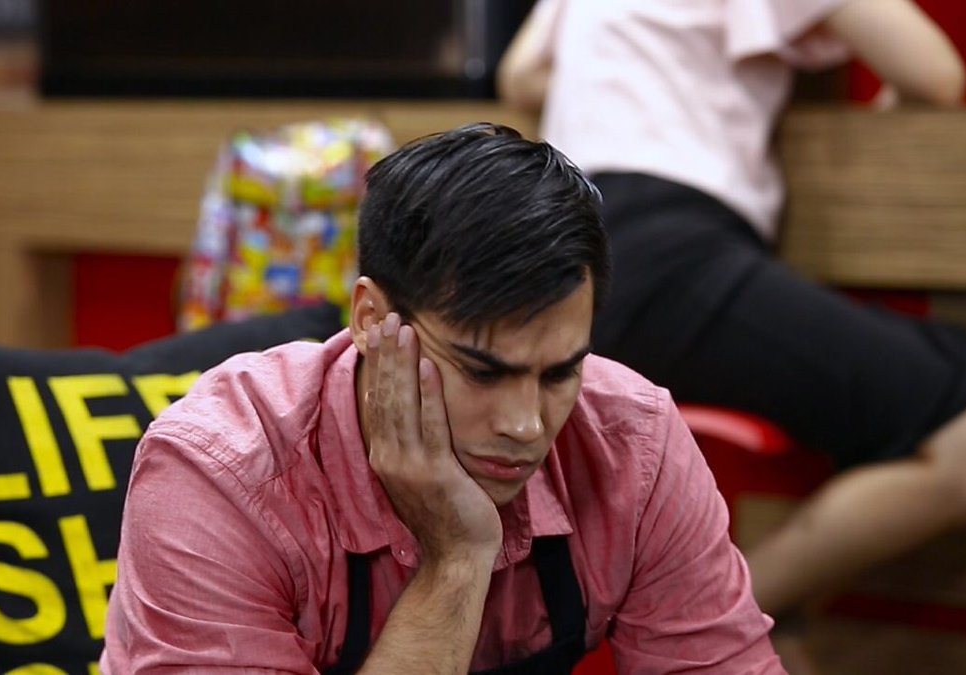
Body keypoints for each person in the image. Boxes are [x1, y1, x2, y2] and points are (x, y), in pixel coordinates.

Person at [100, 124, 785, 673]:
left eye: (559, 374)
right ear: (370, 319)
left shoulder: (633, 442)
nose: (525, 425)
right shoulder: (220, 473)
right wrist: (457, 560)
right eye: (482, 373)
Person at [498, 0, 966, 640]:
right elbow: (934, 74)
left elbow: (521, 76)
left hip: (565, 252)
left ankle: (749, 629)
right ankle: (705, 635)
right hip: (669, 251)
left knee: (965, 366)